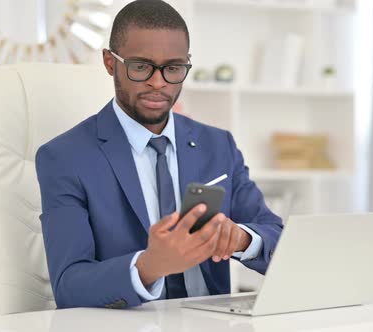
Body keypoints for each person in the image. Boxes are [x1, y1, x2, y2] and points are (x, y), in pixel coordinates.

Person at [35, 0, 283, 309]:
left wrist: (242, 239)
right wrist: (150, 266)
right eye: (141, 66)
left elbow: (276, 236)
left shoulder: (218, 146)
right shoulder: (64, 158)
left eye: (173, 68)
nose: (158, 82)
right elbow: (68, 286)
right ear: (111, 63)